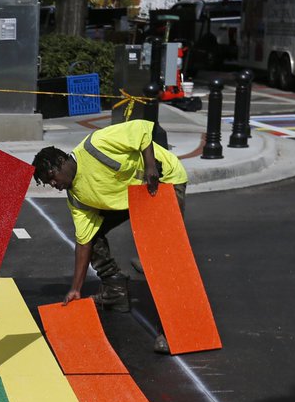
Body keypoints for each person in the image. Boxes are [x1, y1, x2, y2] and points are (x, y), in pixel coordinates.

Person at [31, 118, 189, 352]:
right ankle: (115, 290)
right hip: (129, 198)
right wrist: (76, 288)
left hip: (162, 183)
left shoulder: (96, 145)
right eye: (48, 183)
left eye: (52, 176)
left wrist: (150, 166)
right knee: (93, 236)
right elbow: (84, 241)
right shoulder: (76, 197)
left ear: (62, 161)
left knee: (164, 254)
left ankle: (174, 329)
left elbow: (141, 128)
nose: (53, 183)